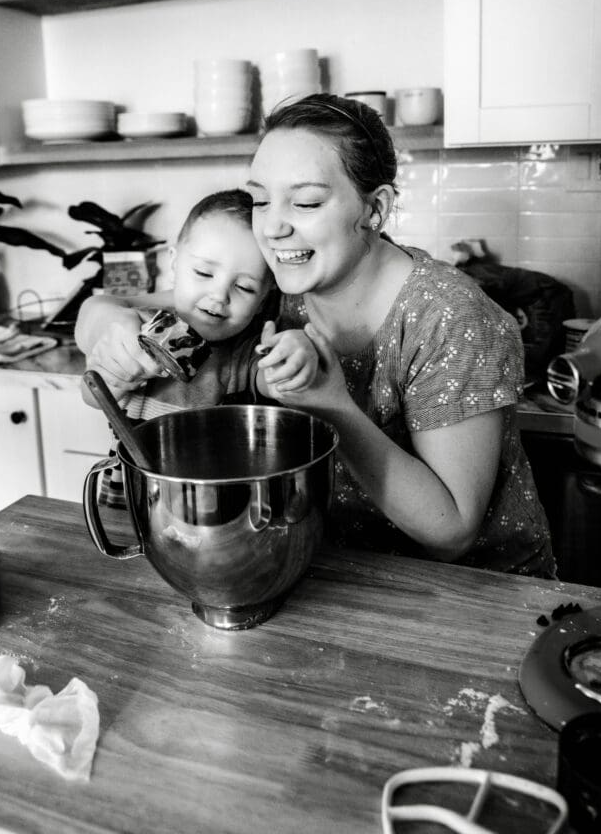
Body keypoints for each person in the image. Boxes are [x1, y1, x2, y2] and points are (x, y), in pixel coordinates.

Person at [77, 96, 555, 578]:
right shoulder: (273, 285)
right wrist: (112, 329)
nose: (273, 226)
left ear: (375, 208)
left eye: (305, 202)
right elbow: (113, 308)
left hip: (479, 598)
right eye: (261, 199)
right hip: (331, 574)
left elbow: (452, 531)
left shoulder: (450, 318)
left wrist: (332, 406)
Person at [76, 188, 316, 505]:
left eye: (244, 287)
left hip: (217, 506)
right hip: (134, 495)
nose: (219, 295)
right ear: (174, 261)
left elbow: (272, 379)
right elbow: (93, 394)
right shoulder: (143, 327)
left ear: (262, 300)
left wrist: (292, 357)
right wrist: (116, 373)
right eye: (203, 272)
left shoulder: (248, 350)